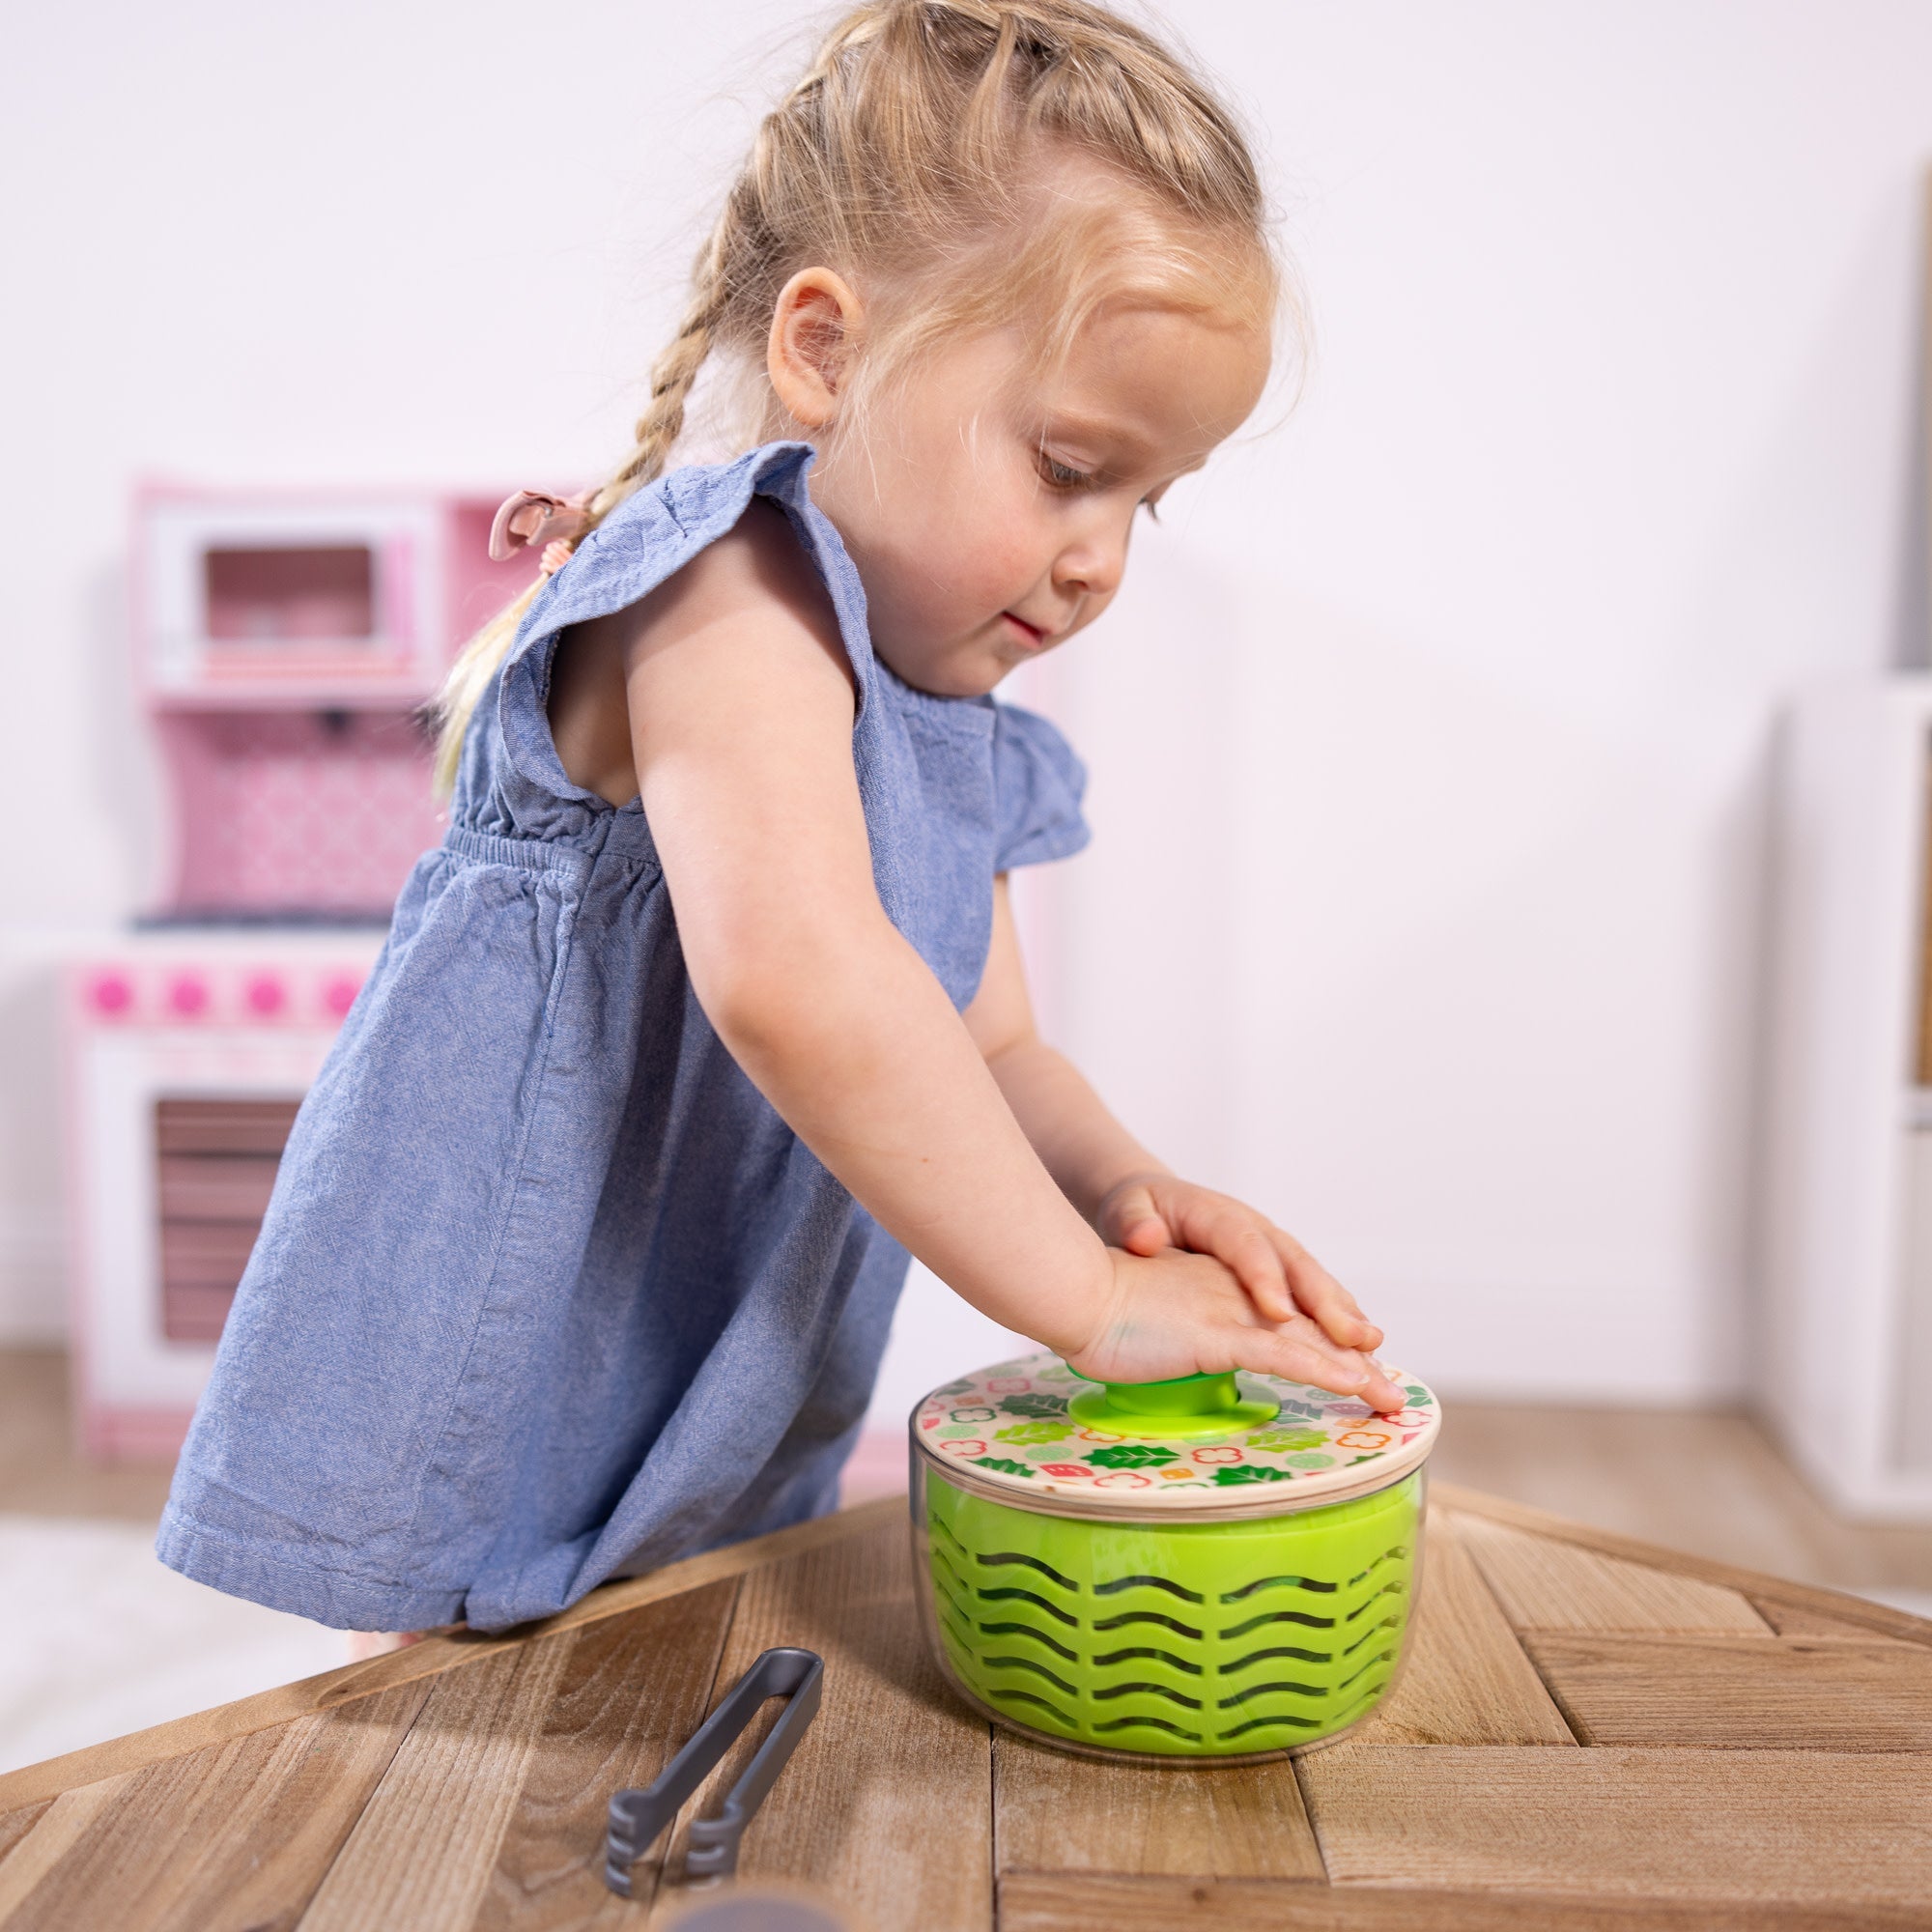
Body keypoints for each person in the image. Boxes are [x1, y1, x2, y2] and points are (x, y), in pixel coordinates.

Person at [157, 0, 1406, 1638]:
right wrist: (1089, 1305)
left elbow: (994, 1050)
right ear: (827, 347)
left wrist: (1132, 1199)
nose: (1103, 557)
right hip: (512, 1364)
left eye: (1143, 502)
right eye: (1068, 465)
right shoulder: (722, 590)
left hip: (701, 1389)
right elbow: (800, 975)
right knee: (473, 1753)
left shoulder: (944, 708)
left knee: (655, 1670)